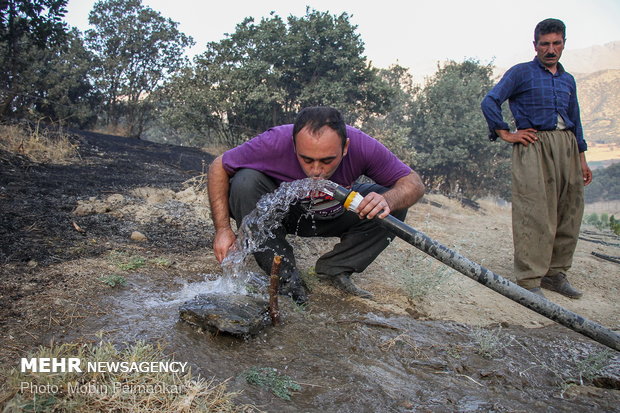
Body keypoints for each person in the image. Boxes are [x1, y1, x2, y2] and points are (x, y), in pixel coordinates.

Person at [207, 106, 425, 304]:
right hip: (283, 214)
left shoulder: (362, 144)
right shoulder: (273, 141)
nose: (316, 171)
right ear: (293, 146)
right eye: (307, 160)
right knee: (244, 181)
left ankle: (334, 269)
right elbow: (219, 166)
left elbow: (413, 183)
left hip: (336, 211)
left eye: (327, 160)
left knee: (391, 204)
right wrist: (223, 230)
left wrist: (387, 200)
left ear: (346, 147)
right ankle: (285, 277)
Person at [481, 18, 592, 299]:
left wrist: (582, 158)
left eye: (556, 43)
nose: (551, 49)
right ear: (535, 45)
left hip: (566, 145)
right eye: (545, 44)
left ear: (564, 44)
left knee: (569, 209)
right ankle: (530, 279)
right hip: (534, 144)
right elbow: (490, 101)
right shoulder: (521, 73)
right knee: (535, 210)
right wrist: (506, 133)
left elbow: (575, 119)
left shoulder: (568, 80)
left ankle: (555, 274)